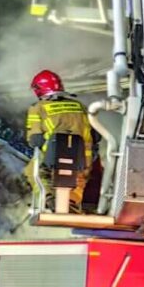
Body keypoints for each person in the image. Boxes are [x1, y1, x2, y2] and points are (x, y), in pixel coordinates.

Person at [25, 69, 93, 214]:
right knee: (79, 178)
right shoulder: (79, 106)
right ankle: (72, 203)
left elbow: (34, 139)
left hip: (53, 157)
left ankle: (48, 199)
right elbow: (95, 135)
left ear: (39, 89)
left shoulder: (37, 108)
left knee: (32, 171)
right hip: (82, 158)